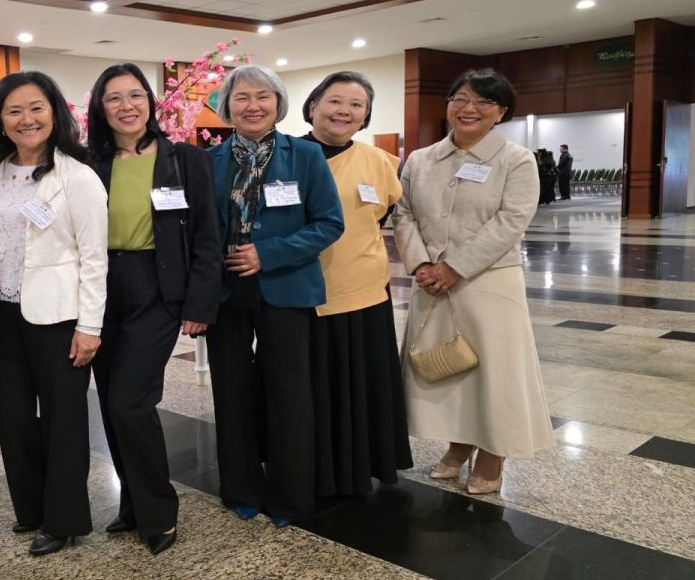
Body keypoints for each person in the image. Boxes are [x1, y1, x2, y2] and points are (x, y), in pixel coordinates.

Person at [391, 68, 554, 496]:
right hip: (431, 282)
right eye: (460, 98)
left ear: (501, 112)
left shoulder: (516, 160)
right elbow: (403, 214)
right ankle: (459, 445)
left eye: (484, 102)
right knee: (449, 370)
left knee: (494, 372)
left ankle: (494, 453)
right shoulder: (421, 160)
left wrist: (454, 267)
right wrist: (421, 264)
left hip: (489, 283)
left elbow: (512, 221)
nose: (470, 108)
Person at [85, 63, 222, 555]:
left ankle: (159, 511)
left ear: (150, 102)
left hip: (157, 288)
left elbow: (207, 234)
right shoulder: (88, 164)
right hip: (100, 288)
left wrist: (200, 302)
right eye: (114, 98)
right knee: (110, 403)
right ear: (100, 109)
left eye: (135, 95)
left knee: (130, 402)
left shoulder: (184, 159)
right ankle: (133, 505)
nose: (126, 106)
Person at [205, 64, 344, 526]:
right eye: (241, 97)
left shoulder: (305, 155)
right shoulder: (208, 161)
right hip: (225, 291)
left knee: (289, 394)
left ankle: (290, 497)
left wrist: (267, 254)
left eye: (263, 96)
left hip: (286, 285)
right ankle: (241, 487)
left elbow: (329, 223)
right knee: (231, 391)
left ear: (279, 103)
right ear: (227, 107)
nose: (253, 106)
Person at [0, 71, 108, 557]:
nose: (26, 119)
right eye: (14, 110)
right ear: (0, 121)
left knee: (63, 420)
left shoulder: (78, 176)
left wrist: (89, 326)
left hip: (58, 318)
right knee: (13, 417)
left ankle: (65, 519)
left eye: (36, 108)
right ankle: (30, 508)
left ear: (54, 114)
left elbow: (95, 258)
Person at [299, 71, 413, 497]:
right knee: (313, 385)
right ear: (313, 106)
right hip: (303, 293)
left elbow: (385, 216)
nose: (344, 111)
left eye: (356, 105)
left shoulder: (381, 163)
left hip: (364, 290)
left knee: (362, 383)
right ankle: (313, 466)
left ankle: (363, 462)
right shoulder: (287, 155)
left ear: (365, 115)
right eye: (334, 101)